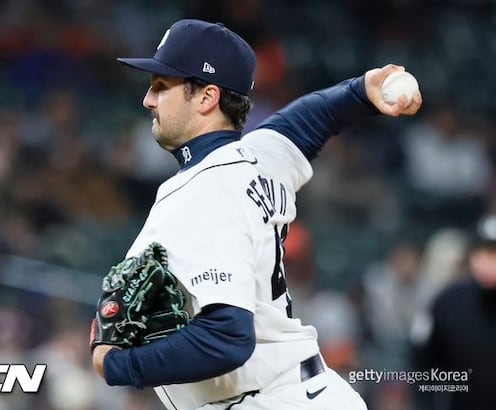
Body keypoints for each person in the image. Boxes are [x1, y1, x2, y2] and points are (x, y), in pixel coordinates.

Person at [91, 19, 422, 410]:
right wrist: (360, 92)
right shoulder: (257, 158)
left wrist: (117, 364)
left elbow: (227, 338)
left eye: (162, 86)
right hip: (304, 393)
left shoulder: (202, 191)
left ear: (206, 97)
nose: (149, 99)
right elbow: (305, 122)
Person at [412, 213, 496, 410]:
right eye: (481, 251)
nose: (486, 260)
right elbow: (424, 367)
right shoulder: (448, 303)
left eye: (493, 253)